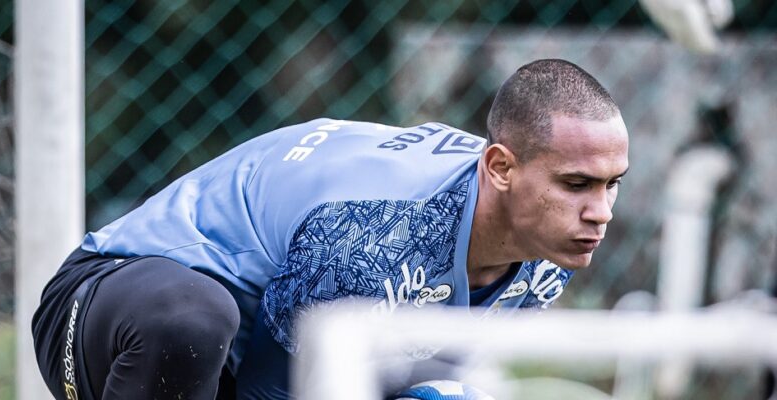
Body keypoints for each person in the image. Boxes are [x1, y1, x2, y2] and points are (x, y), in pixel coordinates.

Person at [32, 58, 629, 400]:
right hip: (113, 315)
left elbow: (426, 369)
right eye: (577, 184)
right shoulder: (374, 236)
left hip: (254, 351)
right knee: (193, 320)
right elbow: (271, 394)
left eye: (613, 183)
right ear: (500, 168)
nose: (600, 211)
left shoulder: (548, 250)